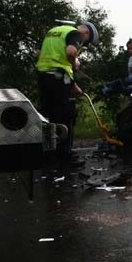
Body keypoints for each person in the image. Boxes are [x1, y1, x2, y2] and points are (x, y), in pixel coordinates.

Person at [35, 22, 98, 166]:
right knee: (66, 115)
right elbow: (70, 52)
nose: (83, 44)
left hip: (44, 78)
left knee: (48, 116)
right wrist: (74, 63)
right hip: (60, 78)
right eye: (86, 43)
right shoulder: (76, 34)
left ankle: (48, 156)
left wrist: (73, 84)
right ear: (87, 34)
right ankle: (65, 157)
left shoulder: (53, 31)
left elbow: (38, 54)